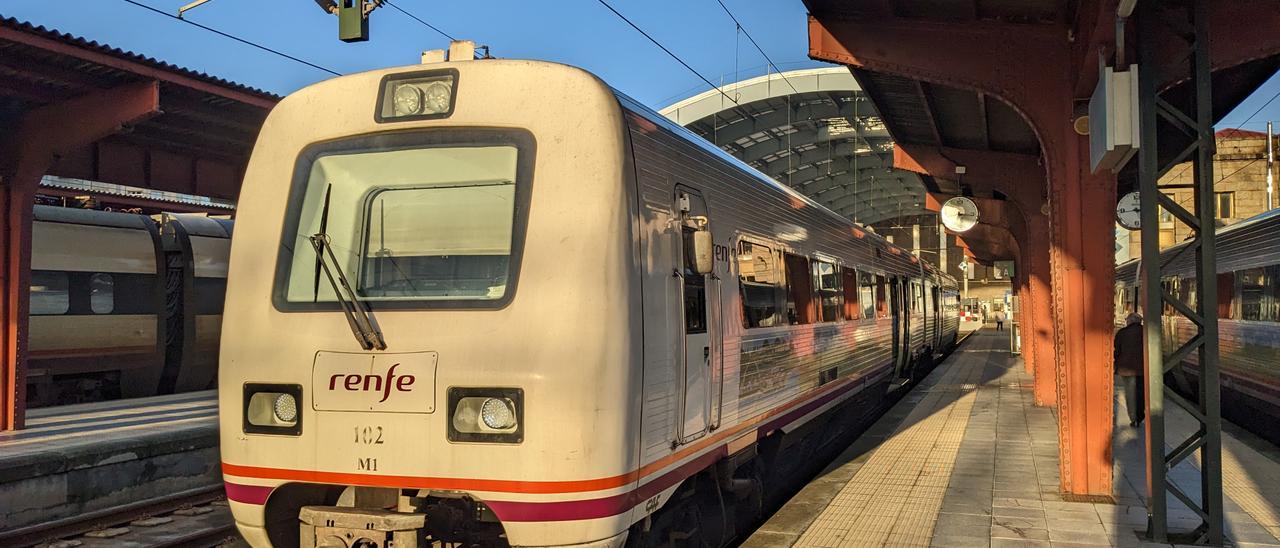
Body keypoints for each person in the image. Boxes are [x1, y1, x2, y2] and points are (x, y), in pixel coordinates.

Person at [1114, 313, 1145, 427]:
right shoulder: (1146, 332)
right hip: (1143, 369)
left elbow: (1116, 350)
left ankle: (1133, 418)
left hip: (1126, 370)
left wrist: (1115, 363)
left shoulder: (1123, 333)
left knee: (1130, 393)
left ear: (1130, 321)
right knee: (1141, 393)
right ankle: (1140, 415)